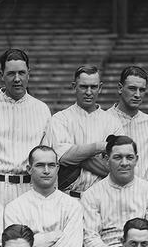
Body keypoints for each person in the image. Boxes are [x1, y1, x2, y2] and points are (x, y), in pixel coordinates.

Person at [0, 48, 52, 205]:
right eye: (11, 73)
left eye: (21, 73)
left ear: (29, 74)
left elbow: (47, 159)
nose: (17, 79)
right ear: (1, 75)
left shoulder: (42, 109)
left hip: (30, 187)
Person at [48, 65, 122, 197]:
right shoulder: (60, 119)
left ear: (100, 87)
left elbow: (117, 169)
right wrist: (101, 147)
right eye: (83, 86)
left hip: (102, 199)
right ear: (73, 86)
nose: (88, 92)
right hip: (68, 197)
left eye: (93, 87)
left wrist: (77, 154)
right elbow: (64, 158)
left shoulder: (112, 122)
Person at [104, 66, 148, 183]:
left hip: (143, 196)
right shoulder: (102, 120)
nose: (137, 95)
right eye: (132, 88)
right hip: (111, 193)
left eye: (142, 90)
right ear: (120, 88)